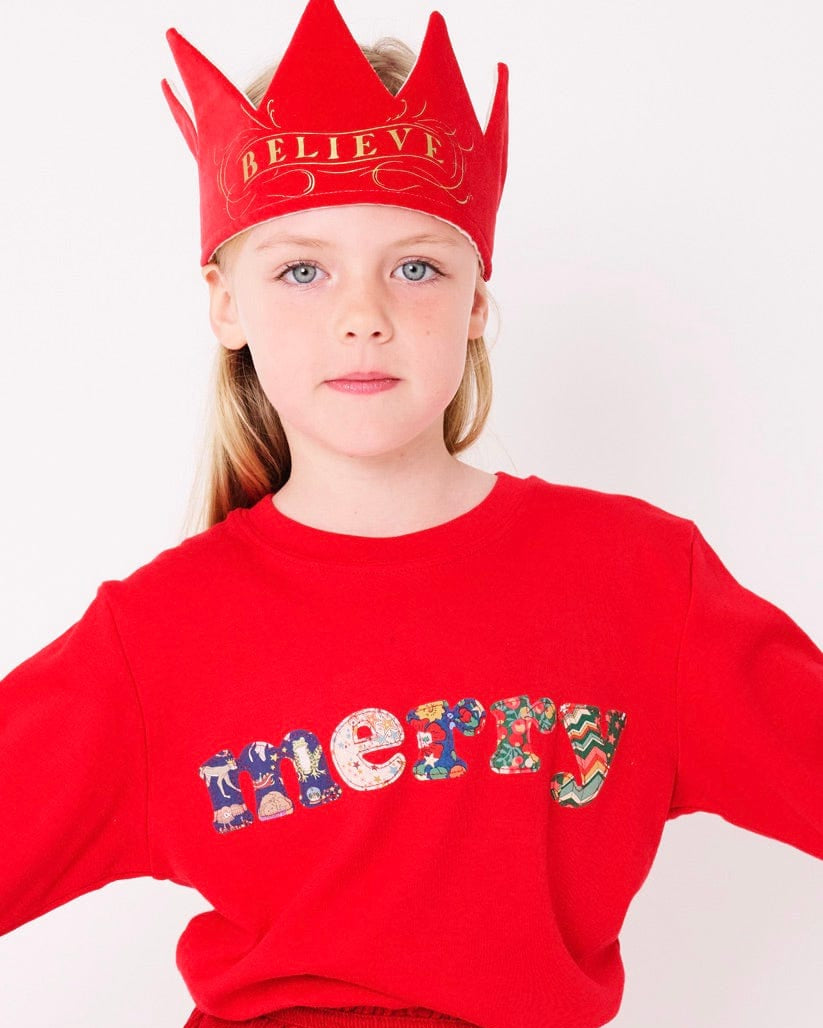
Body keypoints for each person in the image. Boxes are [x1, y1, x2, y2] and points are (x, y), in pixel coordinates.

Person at [1, 1, 820, 1027]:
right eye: (303, 268)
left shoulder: (644, 579)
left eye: (416, 266)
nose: (363, 313)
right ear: (224, 304)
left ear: (477, 299)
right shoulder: (157, 636)